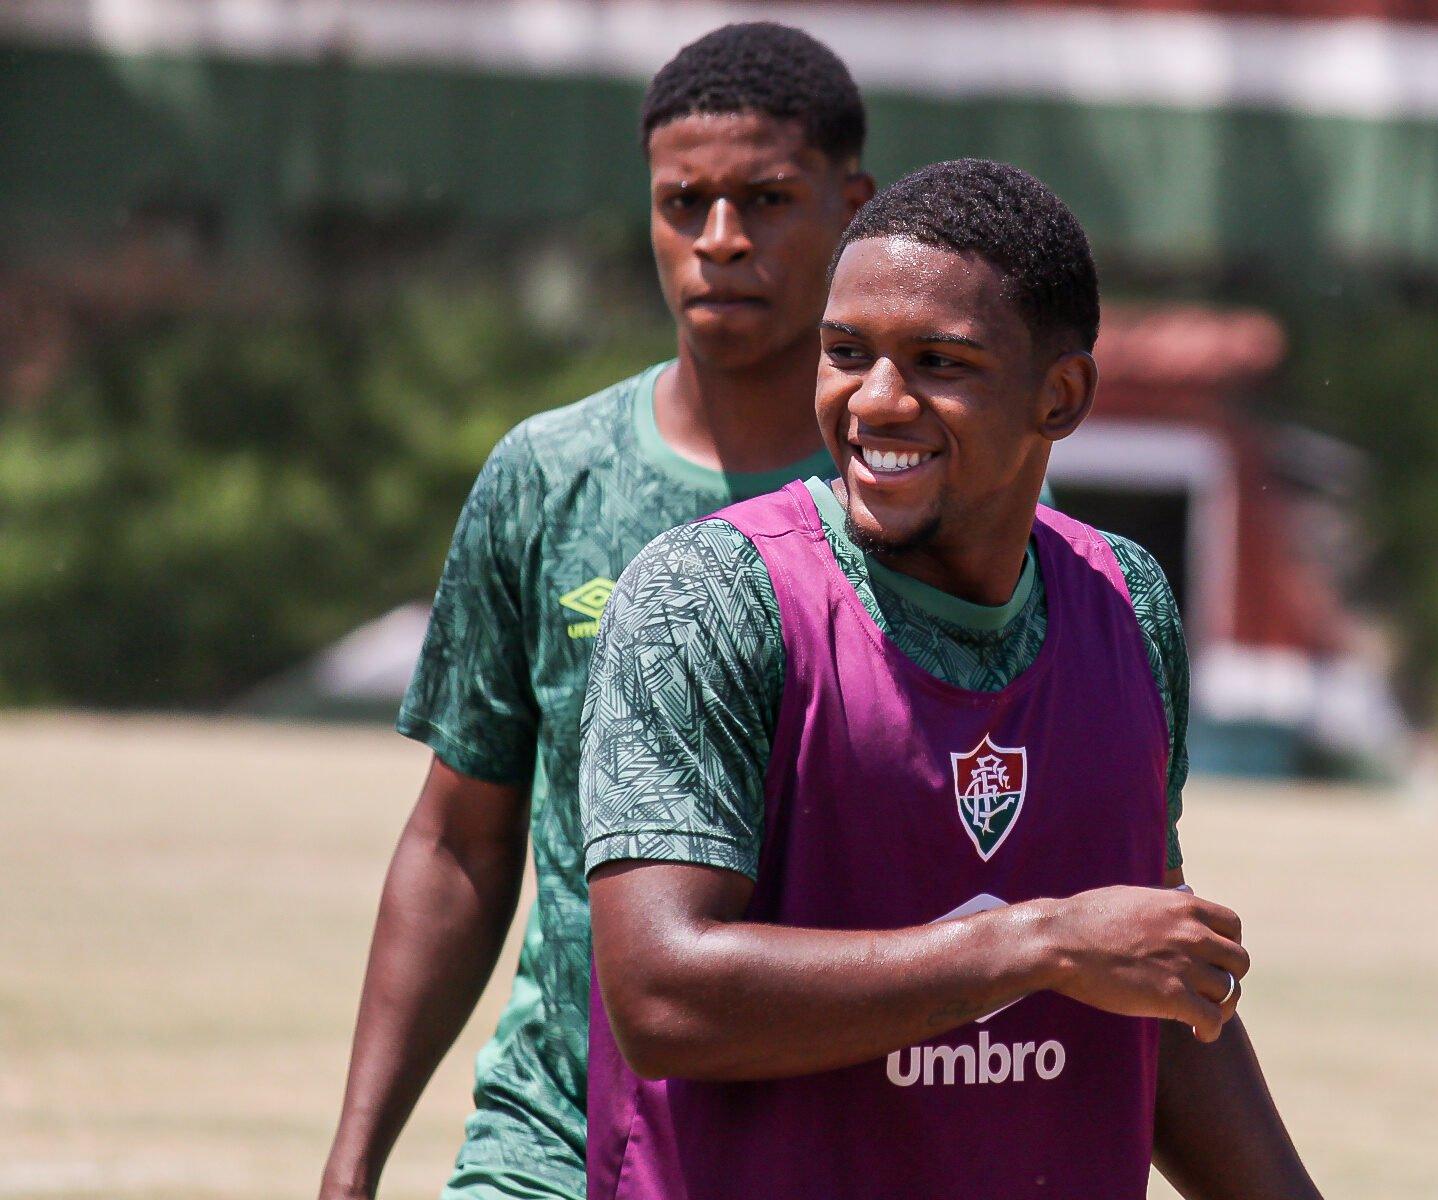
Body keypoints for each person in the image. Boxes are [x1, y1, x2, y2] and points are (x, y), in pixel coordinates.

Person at [581, 159, 1322, 1200]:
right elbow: (664, 997)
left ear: (1059, 397)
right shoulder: (706, 596)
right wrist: (1038, 944)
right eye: (846, 353)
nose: (876, 401)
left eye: (939, 360)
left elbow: (1147, 994)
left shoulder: (1127, 603)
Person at [317, 24, 875, 1200]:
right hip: (556, 1136)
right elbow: (460, 840)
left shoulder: (907, 496)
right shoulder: (547, 475)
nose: (721, 241)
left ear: (850, 206)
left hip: (817, 1136)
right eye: (685, 203)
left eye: (766, 199)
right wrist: (352, 1163)